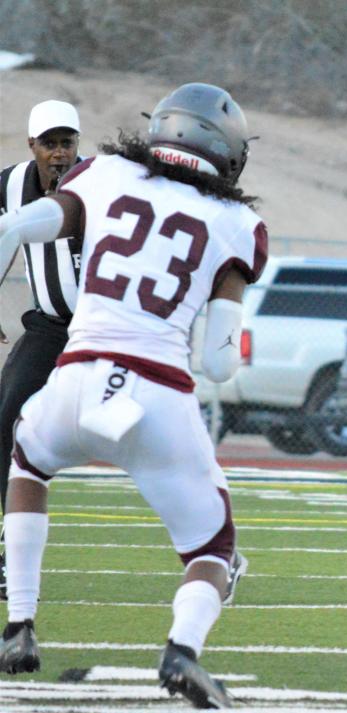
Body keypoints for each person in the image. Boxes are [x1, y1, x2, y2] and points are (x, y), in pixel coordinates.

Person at [0, 82, 267, 708]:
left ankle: (20, 627)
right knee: (213, 548)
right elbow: (219, 364)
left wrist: (8, 224)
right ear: (228, 154)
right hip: (160, 397)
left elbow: (44, 220)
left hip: (76, 375)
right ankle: (181, 651)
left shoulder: (107, 173)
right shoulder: (238, 223)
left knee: (28, 462)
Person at [0, 101, 85, 600]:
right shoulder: (10, 185)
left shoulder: (95, 184)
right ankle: (8, 548)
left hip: (103, 329)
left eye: (67, 142)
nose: (59, 154)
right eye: (49, 144)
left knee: (153, 436)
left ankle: (212, 547)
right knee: (5, 417)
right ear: (31, 146)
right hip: (51, 325)